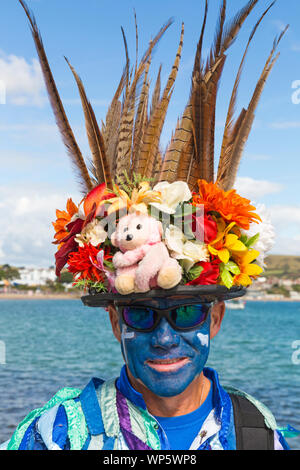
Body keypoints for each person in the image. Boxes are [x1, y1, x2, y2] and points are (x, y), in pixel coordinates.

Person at [1, 0, 297, 451]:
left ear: (215, 318)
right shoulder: (55, 434)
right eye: (141, 312)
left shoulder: (256, 433)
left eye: (185, 312)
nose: (164, 339)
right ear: (116, 322)